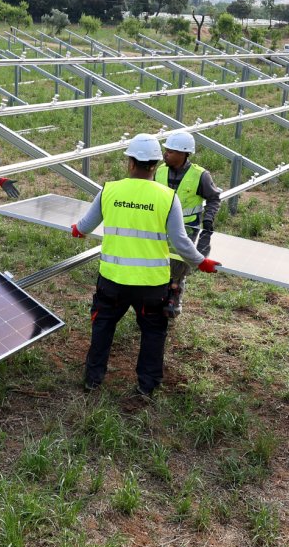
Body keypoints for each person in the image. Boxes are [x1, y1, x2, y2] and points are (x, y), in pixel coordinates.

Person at [72, 133, 220, 401]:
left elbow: (84, 226)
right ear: (155, 165)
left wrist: (77, 230)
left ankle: (93, 379)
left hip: (112, 280)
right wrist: (201, 261)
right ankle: (147, 386)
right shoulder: (167, 197)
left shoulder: (110, 190)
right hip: (151, 285)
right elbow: (180, 241)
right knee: (153, 332)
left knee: (103, 327)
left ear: (130, 162)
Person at [155, 131, 222, 317]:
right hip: (159, 226)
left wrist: (208, 219)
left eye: (171, 151)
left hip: (186, 229)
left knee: (179, 265)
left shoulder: (200, 176)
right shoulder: (160, 171)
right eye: (166, 150)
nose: (166, 154)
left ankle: (174, 297)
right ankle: (159, 295)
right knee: (159, 263)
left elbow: (214, 198)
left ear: (184, 154)